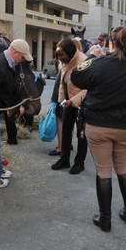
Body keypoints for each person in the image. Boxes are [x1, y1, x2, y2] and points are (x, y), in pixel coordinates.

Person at [71, 27, 126, 232]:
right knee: (123, 167)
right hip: (125, 126)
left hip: (99, 125)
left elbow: (76, 77)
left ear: (111, 43)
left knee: (103, 170)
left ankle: (105, 218)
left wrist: (91, 57)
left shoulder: (99, 64)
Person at [0, 39, 34, 189]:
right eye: (22, 57)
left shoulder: (8, 63)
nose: (22, 60)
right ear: (15, 52)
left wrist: (16, 105)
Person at [51, 39, 88, 174]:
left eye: (62, 56)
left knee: (81, 134)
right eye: (58, 56)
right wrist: (61, 101)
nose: (60, 59)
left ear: (71, 52)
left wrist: (73, 101)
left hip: (82, 104)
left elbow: (88, 89)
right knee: (66, 132)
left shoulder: (84, 62)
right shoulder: (64, 62)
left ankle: (79, 163)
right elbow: (63, 83)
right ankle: (64, 160)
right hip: (67, 103)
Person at [48, 69, 63, 156]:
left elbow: (58, 86)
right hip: (68, 100)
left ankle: (60, 148)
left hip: (61, 100)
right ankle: (66, 145)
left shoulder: (65, 67)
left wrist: (54, 100)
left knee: (60, 123)